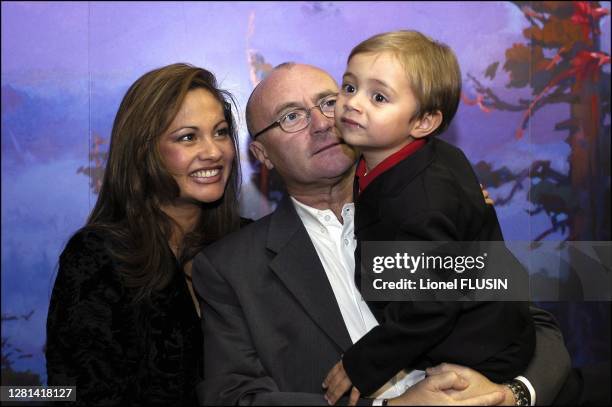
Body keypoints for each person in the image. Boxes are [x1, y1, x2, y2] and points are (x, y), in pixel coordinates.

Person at [192, 62, 571, 405]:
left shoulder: (433, 202)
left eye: (329, 102)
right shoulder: (230, 269)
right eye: (291, 116)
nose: (323, 122)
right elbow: (236, 398)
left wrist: (511, 396)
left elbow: (533, 325)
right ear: (262, 155)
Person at [323, 30, 534, 405]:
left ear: (422, 122)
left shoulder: (423, 201)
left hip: (482, 348)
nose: (353, 103)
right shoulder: (405, 157)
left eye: (379, 97)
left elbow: (432, 303)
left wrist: (364, 363)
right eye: (349, 87)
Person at [46, 63, 242, 406]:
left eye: (221, 132)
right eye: (188, 137)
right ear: (144, 151)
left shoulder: (248, 243)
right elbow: (75, 392)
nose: (214, 151)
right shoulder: (98, 257)